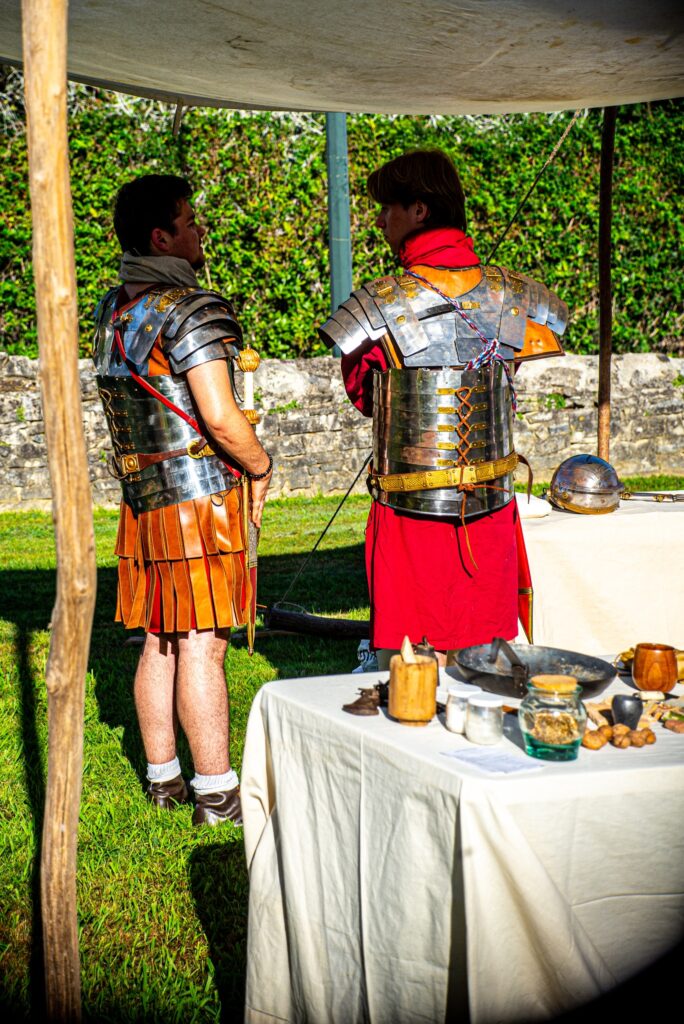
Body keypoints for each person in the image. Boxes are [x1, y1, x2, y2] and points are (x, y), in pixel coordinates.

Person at [319, 149, 568, 668]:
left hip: (411, 518)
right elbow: (502, 374)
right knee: (489, 665)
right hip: (491, 507)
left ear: (420, 211)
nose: (380, 220)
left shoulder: (377, 306)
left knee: (409, 671)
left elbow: (366, 397)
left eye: (388, 207)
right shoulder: (516, 298)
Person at [93, 174, 272, 825]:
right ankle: (216, 793)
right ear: (161, 236)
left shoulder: (112, 312)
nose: (201, 231)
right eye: (190, 220)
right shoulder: (190, 309)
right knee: (202, 643)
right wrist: (260, 463)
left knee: (160, 641)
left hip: (143, 499)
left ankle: (164, 781)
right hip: (198, 501)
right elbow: (221, 419)